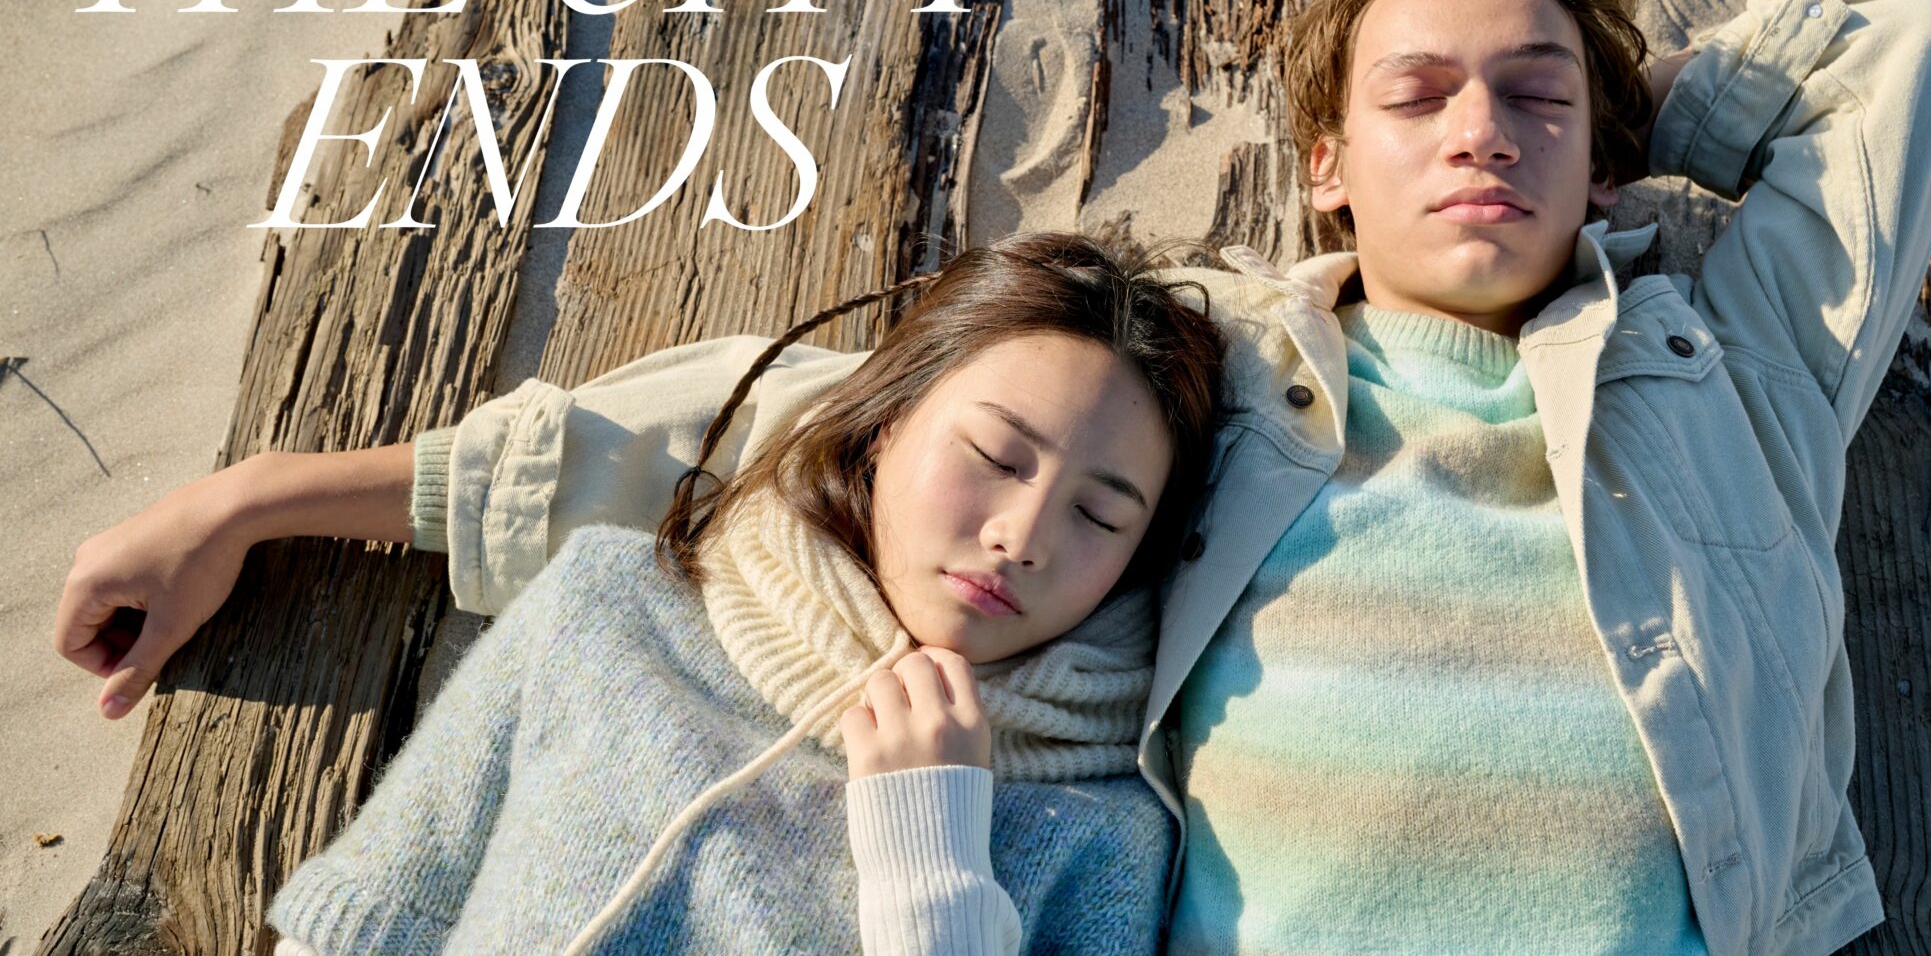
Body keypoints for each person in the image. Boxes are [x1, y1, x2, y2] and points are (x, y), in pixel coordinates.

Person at [57, 0, 1931, 955]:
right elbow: (800, 431)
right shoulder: (1221, 384)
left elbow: (1902, 50)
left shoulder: (1746, 359)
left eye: (1536, 97)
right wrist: (260, 502)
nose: (1480, 128)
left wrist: (1662, 140)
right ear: (1322, 166)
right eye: (1421, 96)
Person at [163, 231, 1227, 954]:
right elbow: (377, 907)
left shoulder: (1108, 829)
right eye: (995, 452)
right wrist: (243, 500)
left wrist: (933, 862)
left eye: (1099, 514)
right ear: (885, 420)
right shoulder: (612, 604)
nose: (1021, 534)